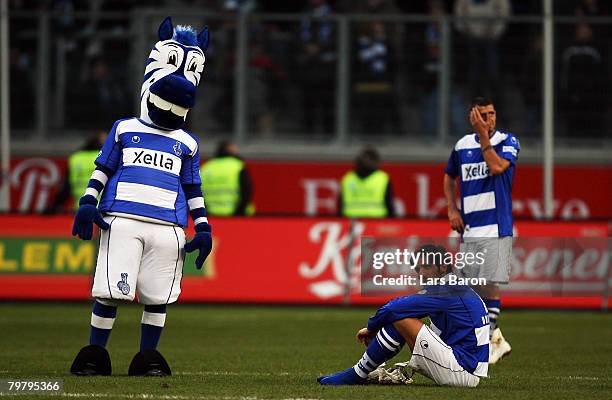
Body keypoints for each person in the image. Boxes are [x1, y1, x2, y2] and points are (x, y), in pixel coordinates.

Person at [69, 18, 213, 377]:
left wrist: (204, 227)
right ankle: (94, 355)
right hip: (123, 219)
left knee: (157, 294)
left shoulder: (188, 144)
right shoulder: (124, 129)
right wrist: (89, 201)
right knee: (110, 291)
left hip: (169, 227)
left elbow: (193, 188)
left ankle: (148, 357)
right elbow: (101, 168)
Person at [318, 244, 489, 387]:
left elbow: (392, 309)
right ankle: (365, 371)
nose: (421, 272)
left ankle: (358, 373)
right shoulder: (454, 287)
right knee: (401, 316)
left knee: (400, 317)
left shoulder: (445, 291)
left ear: (443, 267)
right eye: (418, 268)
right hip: (467, 368)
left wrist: (371, 328)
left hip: (463, 371)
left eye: (427, 267)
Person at [443, 97, 519, 364]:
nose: (489, 119)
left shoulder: (508, 142)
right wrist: (452, 209)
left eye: (492, 113)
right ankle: (496, 339)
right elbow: (449, 175)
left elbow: (497, 167)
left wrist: (483, 136)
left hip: (496, 225)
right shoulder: (462, 146)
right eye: (483, 115)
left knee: (488, 284)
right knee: (465, 287)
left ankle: (488, 341)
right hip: (471, 228)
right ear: (472, 116)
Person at [51, 130, 108, 213]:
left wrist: (56, 206)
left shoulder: (76, 158)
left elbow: (66, 187)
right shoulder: (107, 158)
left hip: (80, 208)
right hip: (103, 209)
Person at [200, 140, 254, 216]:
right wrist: (240, 212)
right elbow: (247, 191)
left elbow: (196, 192)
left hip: (210, 216)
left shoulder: (206, 168)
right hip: (236, 216)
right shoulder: (238, 166)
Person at [339, 147, 395, 218]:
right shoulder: (382, 178)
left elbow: (340, 205)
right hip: (376, 222)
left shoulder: (348, 178)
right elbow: (389, 205)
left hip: (352, 222)